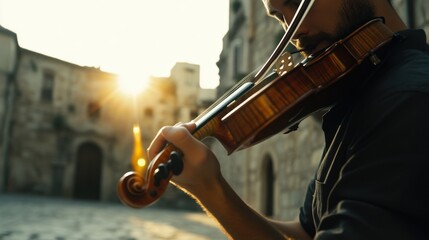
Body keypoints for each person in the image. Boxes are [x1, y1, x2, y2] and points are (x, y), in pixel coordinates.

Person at [148, 0, 429, 239]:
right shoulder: (362, 92)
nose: (296, 31)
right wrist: (210, 190)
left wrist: (213, 190)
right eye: (280, 16)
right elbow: (306, 233)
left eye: (296, 1)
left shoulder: (406, 99)